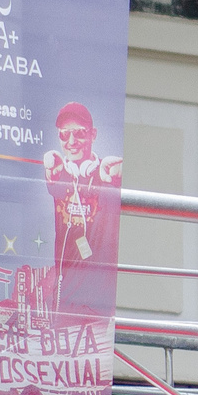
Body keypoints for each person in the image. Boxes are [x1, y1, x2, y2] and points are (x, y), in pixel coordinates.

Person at [42, 100, 122, 315]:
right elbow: (51, 173)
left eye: (79, 133)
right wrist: (50, 169)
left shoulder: (106, 173)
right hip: (66, 301)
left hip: (101, 305)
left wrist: (116, 178)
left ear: (93, 135)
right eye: (64, 134)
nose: (71, 141)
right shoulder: (61, 174)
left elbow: (117, 176)